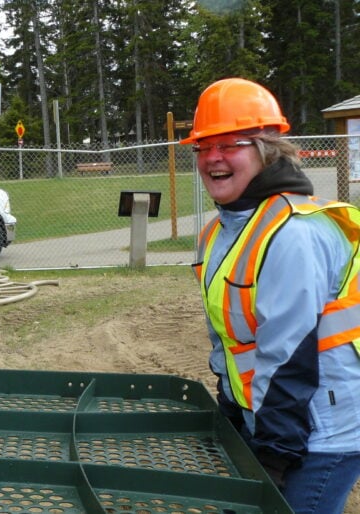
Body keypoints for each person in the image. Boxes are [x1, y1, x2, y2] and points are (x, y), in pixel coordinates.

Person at [181, 77, 360, 514]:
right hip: (274, 420)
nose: (213, 158)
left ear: (267, 149)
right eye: (204, 147)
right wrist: (231, 407)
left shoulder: (293, 233)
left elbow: (288, 353)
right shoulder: (221, 231)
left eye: (231, 144)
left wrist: (275, 454)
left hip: (319, 432)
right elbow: (232, 338)